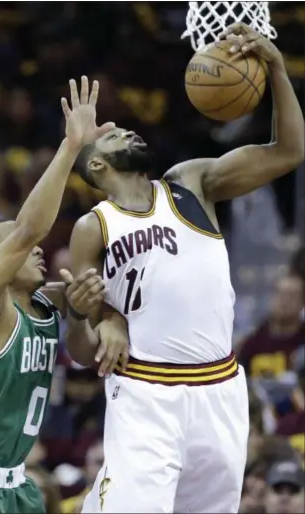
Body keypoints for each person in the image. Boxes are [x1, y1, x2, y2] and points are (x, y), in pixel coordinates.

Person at [64, 24, 304, 513]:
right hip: (147, 390)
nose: (125, 129)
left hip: (220, 388)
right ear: (95, 168)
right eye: (110, 137)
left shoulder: (190, 183)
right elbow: (84, 350)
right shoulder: (94, 228)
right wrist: (95, 317)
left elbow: (289, 151)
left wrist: (277, 70)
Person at [0, 77, 119, 513]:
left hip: (20, 486)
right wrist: (71, 147)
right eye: (14, 249)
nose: (36, 248)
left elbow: (87, 340)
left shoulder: (42, 303)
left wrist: (102, 318)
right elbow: (28, 229)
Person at [238, 274, 304, 378]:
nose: (284, 301)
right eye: (279, 294)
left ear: (302, 303)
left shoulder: (302, 343)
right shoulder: (252, 341)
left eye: (292, 296)